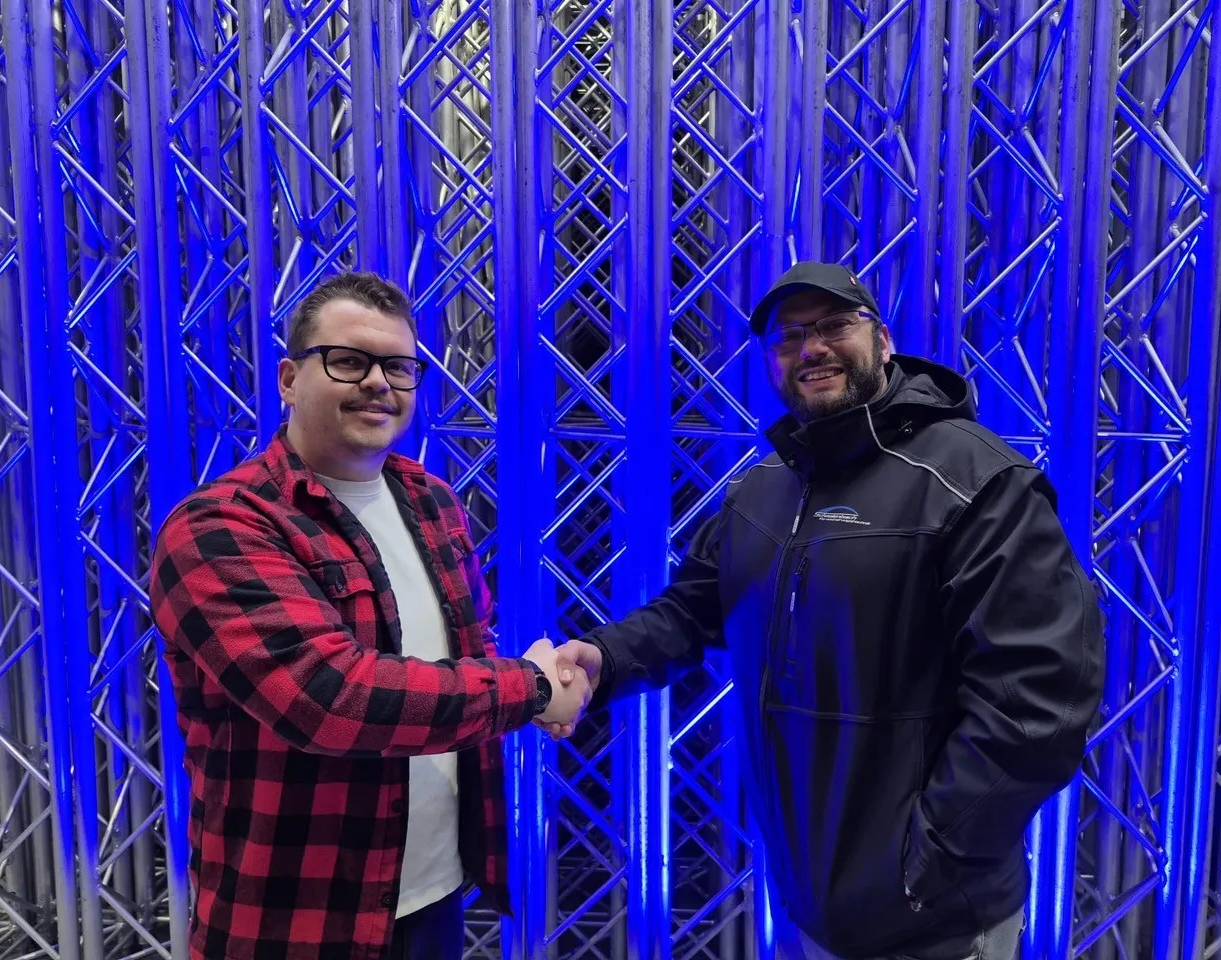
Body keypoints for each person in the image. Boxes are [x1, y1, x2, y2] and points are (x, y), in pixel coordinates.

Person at [544, 262, 1105, 960]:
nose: (811, 348)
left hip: (931, 922)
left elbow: (1038, 702)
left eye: (835, 325)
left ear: (884, 340)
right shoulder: (764, 489)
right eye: (789, 337)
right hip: (805, 899)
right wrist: (602, 659)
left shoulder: (975, 482)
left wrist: (927, 865)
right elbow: (690, 613)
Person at [150, 271, 591, 960]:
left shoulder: (432, 501)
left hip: (433, 892)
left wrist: (537, 686)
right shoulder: (219, 526)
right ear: (289, 379)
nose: (379, 383)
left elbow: (465, 649)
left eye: (399, 367)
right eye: (349, 361)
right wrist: (531, 689)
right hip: (294, 917)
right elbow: (327, 698)